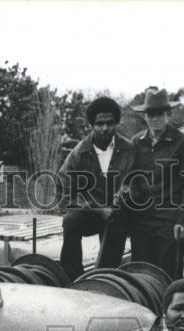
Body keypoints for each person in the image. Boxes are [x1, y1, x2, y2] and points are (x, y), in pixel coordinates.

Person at [57, 96, 135, 279]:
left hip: (118, 216)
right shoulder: (78, 153)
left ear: (116, 123)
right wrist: (97, 209)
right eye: (100, 124)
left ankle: (104, 279)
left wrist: (127, 193)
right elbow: (65, 192)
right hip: (90, 214)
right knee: (70, 221)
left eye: (110, 123)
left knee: (108, 267)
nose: (105, 128)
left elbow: (139, 182)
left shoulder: (129, 149)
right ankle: (72, 278)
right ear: (92, 125)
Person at [123, 89, 184, 279]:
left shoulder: (183, 143)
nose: (155, 119)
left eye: (160, 114)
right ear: (145, 117)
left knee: (168, 276)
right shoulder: (136, 142)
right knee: (142, 276)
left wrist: (182, 221)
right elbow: (130, 180)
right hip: (141, 221)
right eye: (150, 114)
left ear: (168, 114)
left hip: (169, 222)